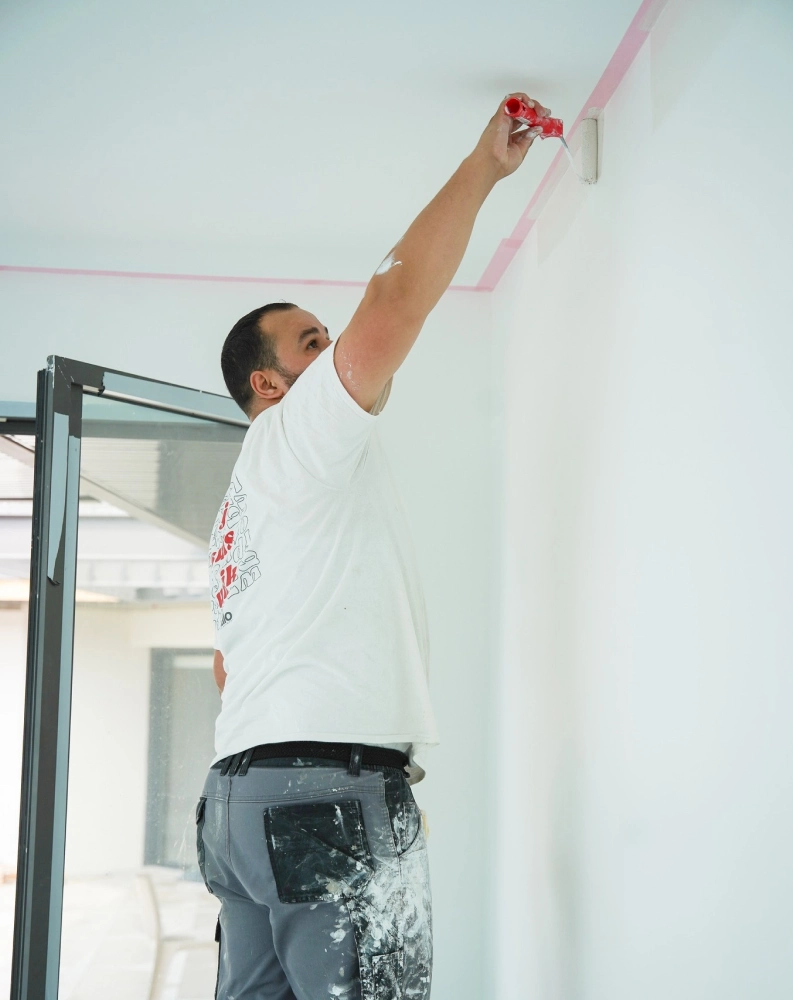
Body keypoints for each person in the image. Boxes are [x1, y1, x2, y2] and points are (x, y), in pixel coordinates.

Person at [195, 91, 548, 1000]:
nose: (341, 350)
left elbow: (229, 668)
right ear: (270, 385)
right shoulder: (296, 433)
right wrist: (484, 168)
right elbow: (394, 299)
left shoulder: (240, 511)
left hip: (237, 805)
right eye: (315, 342)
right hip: (319, 799)